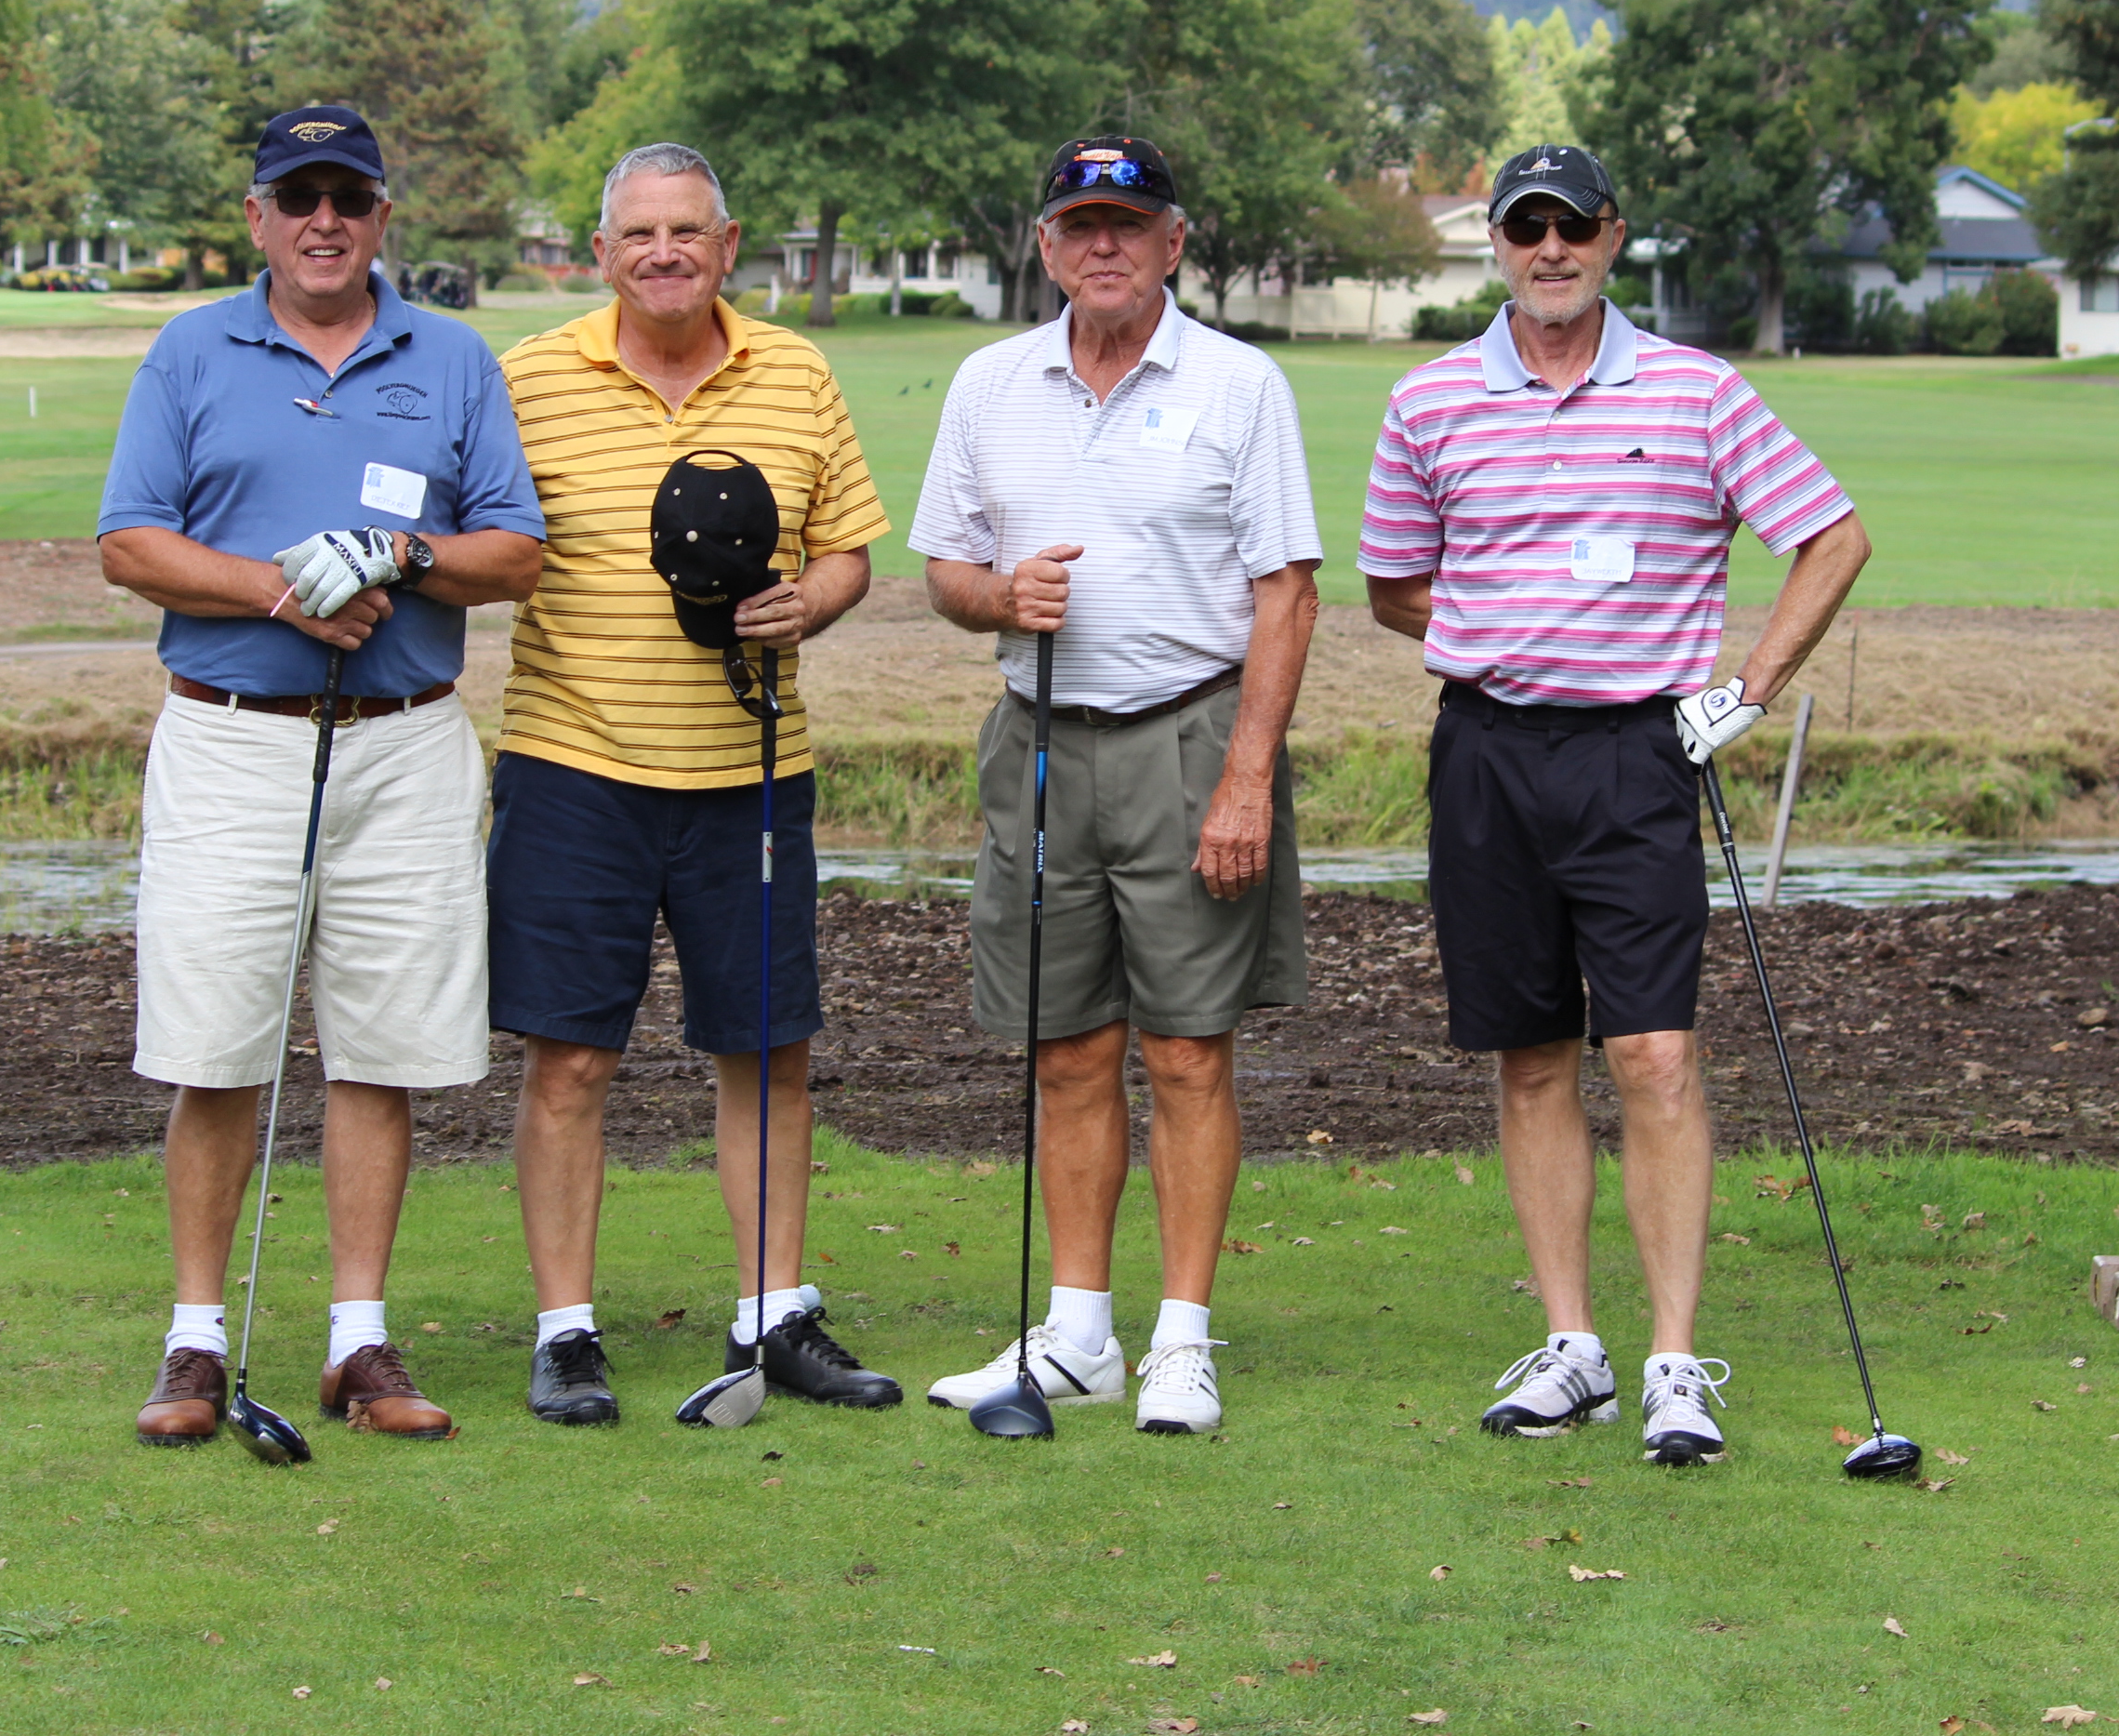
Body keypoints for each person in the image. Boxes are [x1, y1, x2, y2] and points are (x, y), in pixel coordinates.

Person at [1357, 142, 1871, 1467]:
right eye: (1526, 228)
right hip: (1486, 753)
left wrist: (1747, 690)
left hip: (1640, 758)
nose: (1551, 250)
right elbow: (1394, 585)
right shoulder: (1429, 400)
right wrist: (1505, 621)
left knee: (1653, 1055)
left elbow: (1833, 536)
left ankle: (1673, 1363)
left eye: (1573, 227)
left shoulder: (1697, 391)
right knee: (1531, 1056)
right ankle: (1572, 1346)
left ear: (1612, 235)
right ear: (1497, 243)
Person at [99, 104, 546, 1447]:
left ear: (383, 216)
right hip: (234, 736)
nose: (325, 221)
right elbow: (129, 542)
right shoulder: (191, 351)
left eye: (349, 197)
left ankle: (360, 1341)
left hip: (404, 741)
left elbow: (516, 550)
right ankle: (195, 1341)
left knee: (382, 1047)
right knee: (215, 1044)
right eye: (299, 198)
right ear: (258, 217)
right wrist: (282, 590)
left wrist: (403, 556)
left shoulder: (451, 358)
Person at [914, 137, 1320, 1437]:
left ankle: (1182, 1341)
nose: (1105, 245)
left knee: (1189, 1051)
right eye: (1080, 223)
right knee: (1067, 1045)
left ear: (1173, 243)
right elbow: (946, 573)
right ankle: (1079, 1334)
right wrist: (1001, 596)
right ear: (1045, 245)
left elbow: (1287, 594)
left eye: (1129, 225)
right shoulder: (989, 383)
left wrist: (1246, 779)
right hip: (1038, 743)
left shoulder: (1239, 384)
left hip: (1189, 738)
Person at [492, 142, 900, 1425]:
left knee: (766, 1052)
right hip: (574, 768)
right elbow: (481, 545)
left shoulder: (797, 371)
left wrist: (810, 602)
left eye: (687, 232)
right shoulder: (527, 378)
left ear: (728, 246)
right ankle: (566, 1335)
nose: (663, 253)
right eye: (639, 234)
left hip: (753, 770)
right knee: (569, 1062)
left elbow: (848, 552)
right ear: (601, 251)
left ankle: (774, 1314)